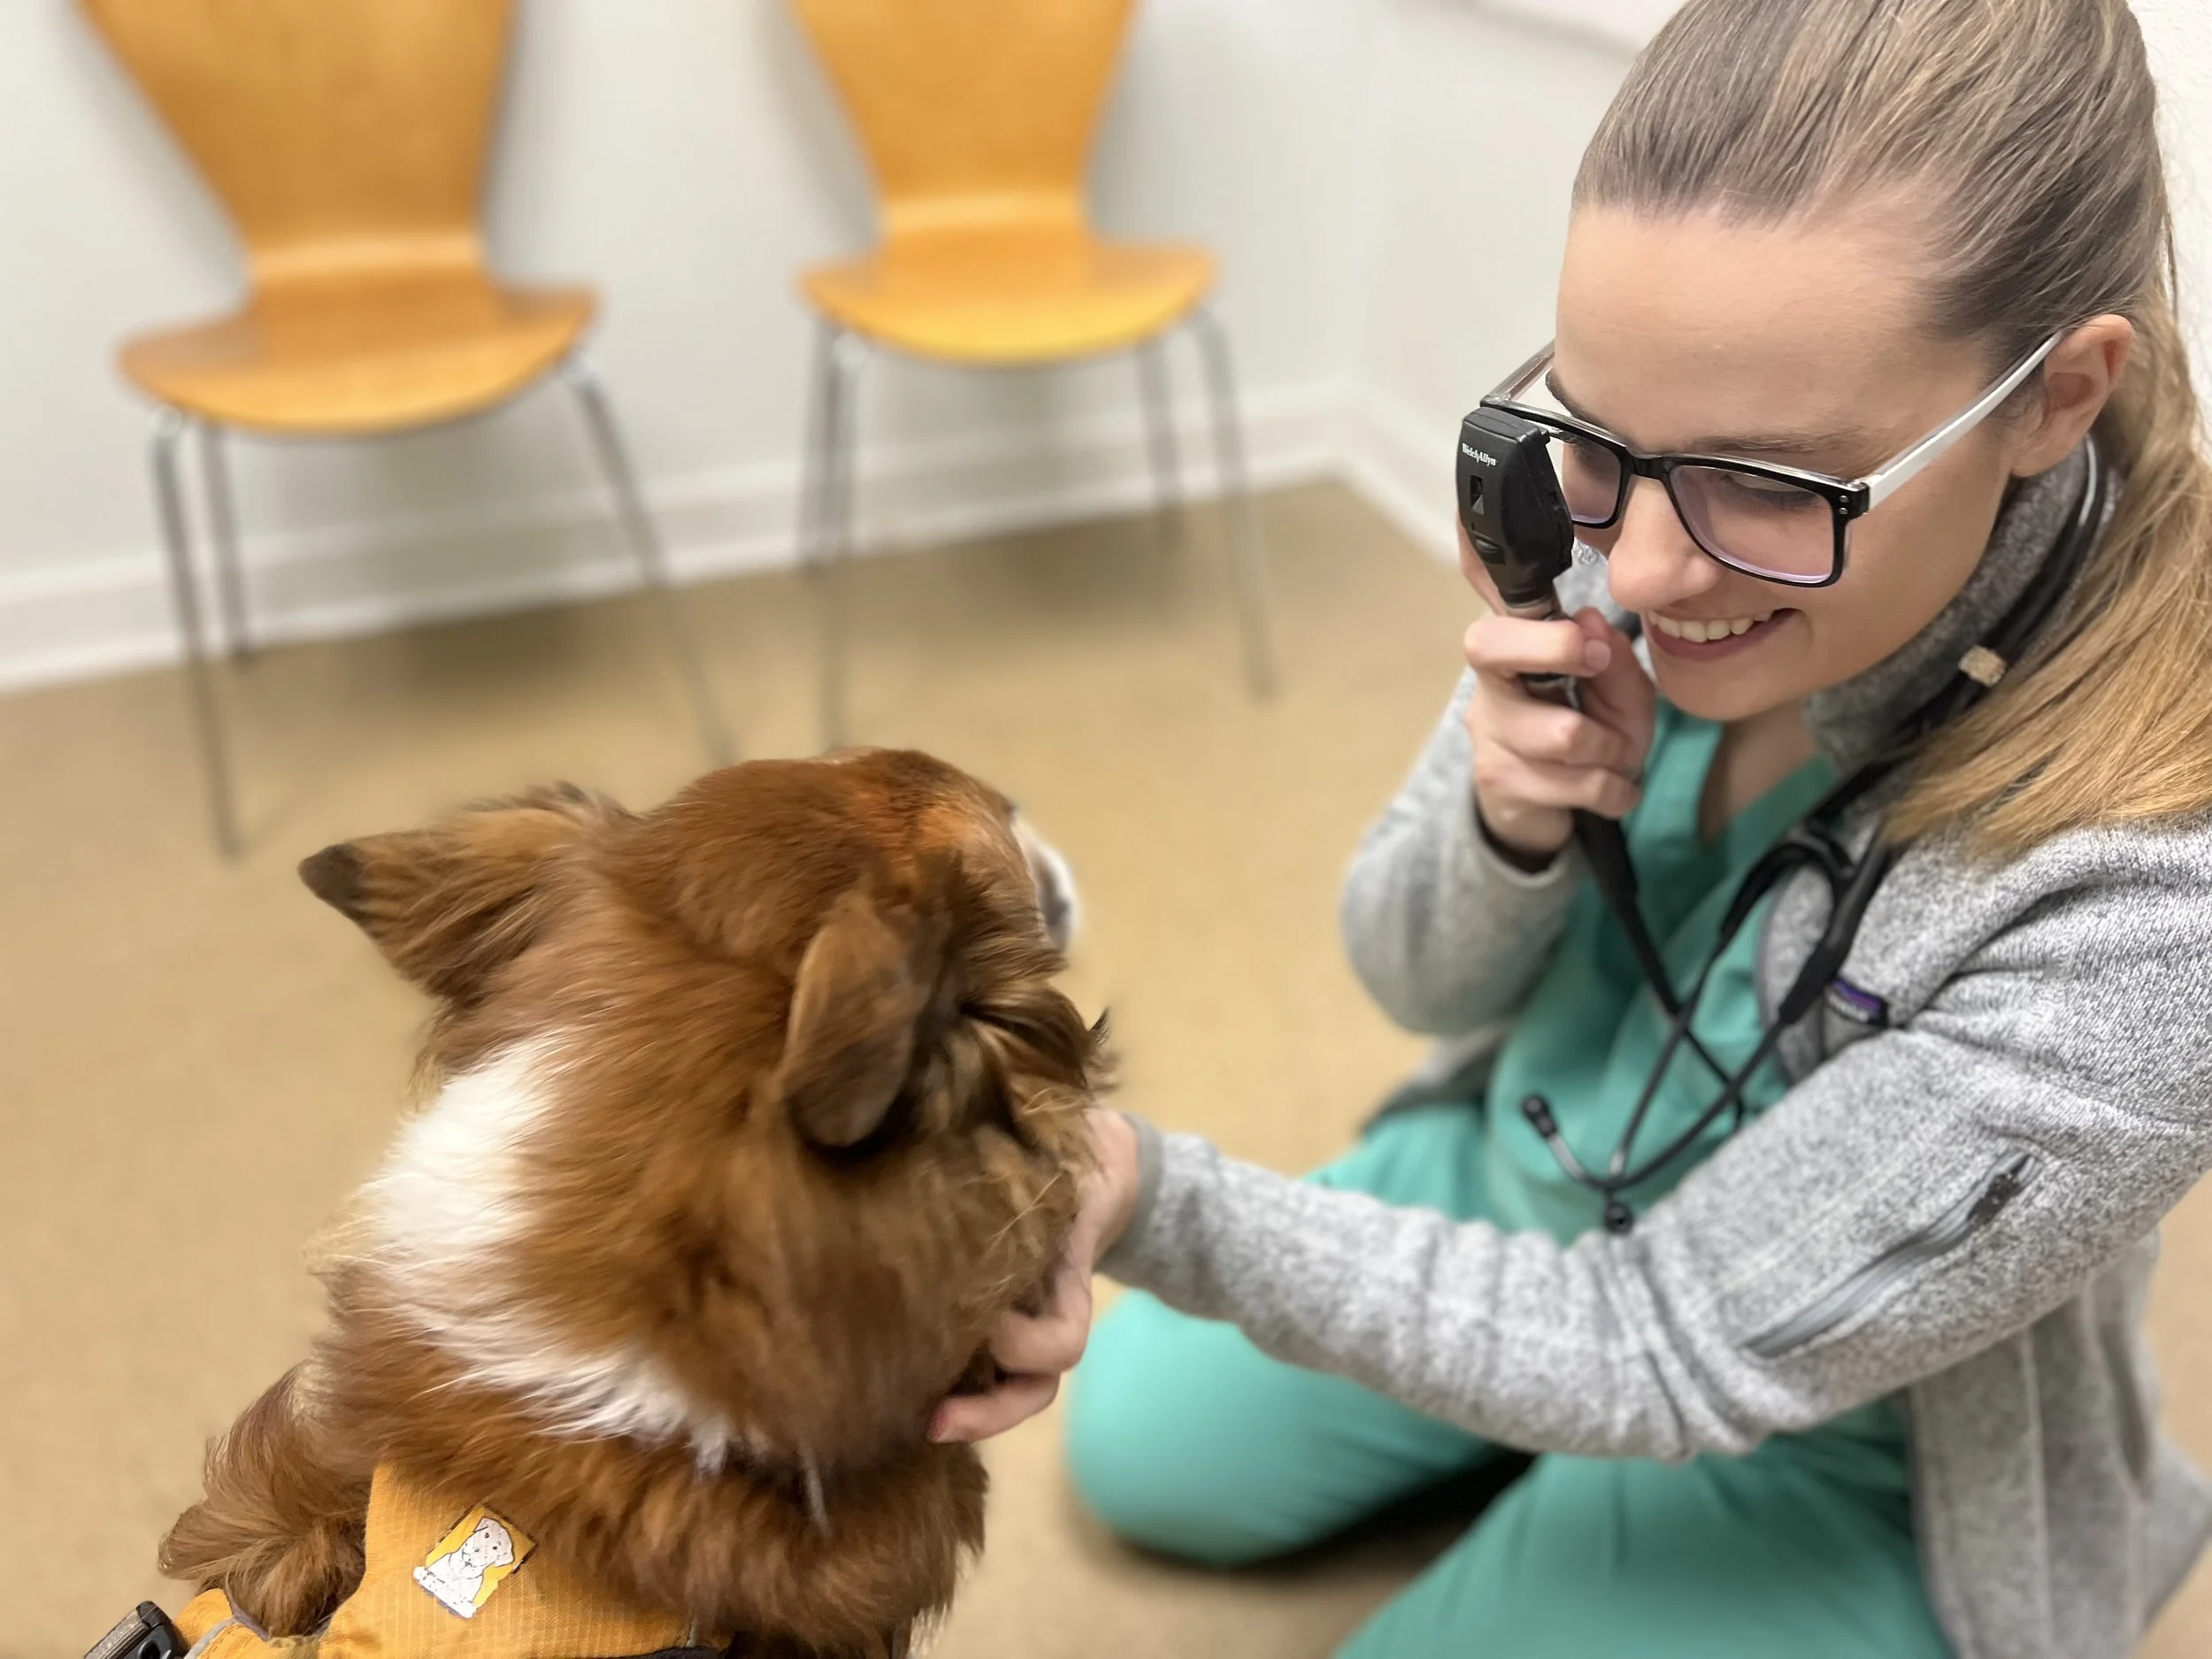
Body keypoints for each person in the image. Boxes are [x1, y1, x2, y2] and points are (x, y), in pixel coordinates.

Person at [927, 1, 2212, 1654]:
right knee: (1152, 1456)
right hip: (1543, 1154)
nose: (1653, 574)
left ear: (2055, 399)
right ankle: (1507, 1406)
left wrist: (1153, 1196)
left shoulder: (2159, 901)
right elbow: (1407, 972)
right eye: (1604, 437)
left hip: (1846, 1401)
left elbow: (1657, 1338)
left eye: (1771, 482)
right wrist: (1503, 822)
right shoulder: (1625, 516)